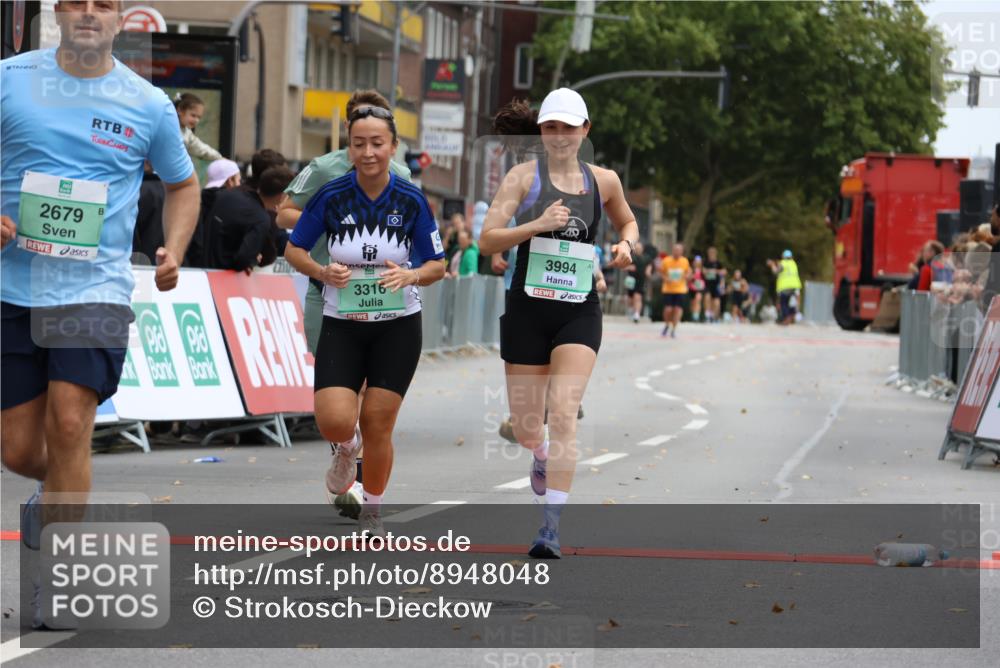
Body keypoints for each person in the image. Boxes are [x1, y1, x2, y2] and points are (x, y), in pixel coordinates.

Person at [0, 0, 199, 629]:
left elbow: (184, 185)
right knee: (17, 448)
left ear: (120, 20)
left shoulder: (147, 103)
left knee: (69, 422)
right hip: (12, 286)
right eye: (78, 2)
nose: (89, 13)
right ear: (59, 12)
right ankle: (64, 490)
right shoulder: (10, 79)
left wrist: (175, 248)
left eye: (103, 4)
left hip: (94, 289)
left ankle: (60, 579)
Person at [479, 89, 639, 558]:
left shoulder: (604, 181)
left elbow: (628, 222)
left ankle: (550, 527)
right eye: (551, 127)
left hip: (578, 310)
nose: (560, 136)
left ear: (585, 130)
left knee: (564, 411)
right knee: (529, 428)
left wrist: (626, 245)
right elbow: (488, 240)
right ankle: (540, 452)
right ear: (541, 131)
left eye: (569, 127)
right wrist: (536, 224)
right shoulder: (523, 177)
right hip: (527, 310)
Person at [284, 104, 446, 537]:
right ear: (349, 147)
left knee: (378, 421)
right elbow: (294, 249)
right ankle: (345, 447)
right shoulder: (331, 194)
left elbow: (437, 265)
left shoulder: (411, 199)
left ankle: (372, 511)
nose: (368, 152)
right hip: (344, 322)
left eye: (377, 143)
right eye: (359, 144)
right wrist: (321, 272)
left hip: (398, 324)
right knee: (334, 419)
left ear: (393, 147)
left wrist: (410, 274)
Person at [208, 166, 294, 273]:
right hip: (221, 274)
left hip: (200, 266)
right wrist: (253, 260)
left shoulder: (230, 194)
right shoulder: (261, 219)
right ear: (282, 196)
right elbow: (243, 258)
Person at [186, 158, 241, 268]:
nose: (240, 185)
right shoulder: (235, 205)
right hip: (224, 272)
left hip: (193, 270)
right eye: (239, 180)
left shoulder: (195, 201)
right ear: (230, 181)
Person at [174, 92, 224, 163]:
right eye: (193, 115)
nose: (196, 120)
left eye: (199, 117)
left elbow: (201, 149)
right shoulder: (168, 127)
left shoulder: (187, 133)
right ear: (179, 110)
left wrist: (220, 158)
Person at [660, 243, 690, 338]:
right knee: (668, 310)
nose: (677, 252)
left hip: (680, 289)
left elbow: (688, 272)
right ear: (672, 250)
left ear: (682, 252)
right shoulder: (666, 260)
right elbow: (661, 272)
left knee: (677, 309)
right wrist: (666, 278)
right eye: (675, 250)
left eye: (679, 250)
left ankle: (674, 329)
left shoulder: (685, 261)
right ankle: (667, 324)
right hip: (668, 289)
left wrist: (687, 276)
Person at [767, 249, 802, 325]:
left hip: (785, 286)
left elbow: (776, 272)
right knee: (792, 303)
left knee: (783, 303)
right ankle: (792, 316)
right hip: (795, 286)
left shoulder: (783, 263)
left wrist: (772, 265)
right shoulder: (793, 263)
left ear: (783, 256)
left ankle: (786, 318)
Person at [624, 240, 652, 323]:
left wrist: (648, 271)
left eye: (639, 248)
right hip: (631, 280)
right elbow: (623, 267)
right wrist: (629, 267)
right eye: (637, 248)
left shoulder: (646, 258)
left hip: (641, 280)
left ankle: (637, 314)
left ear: (642, 249)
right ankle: (631, 311)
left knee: (637, 297)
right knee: (630, 299)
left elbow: (649, 265)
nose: (638, 249)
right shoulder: (630, 257)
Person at [703, 246, 725, 323]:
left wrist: (715, 271)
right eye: (710, 253)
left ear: (715, 254)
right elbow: (703, 271)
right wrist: (709, 271)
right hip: (708, 284)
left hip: (716, 284)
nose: (711, 254)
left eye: (713, 253)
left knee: (716, 302)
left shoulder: (718, 263)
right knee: (707, 297)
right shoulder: (705, 262)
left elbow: (723, 272)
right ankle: (707, 315)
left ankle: (713, 316)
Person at [688, 254, 706, 322]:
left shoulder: (702, 269)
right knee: (693, 302)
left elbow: (705, 277)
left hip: (700, 288)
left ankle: (696, 316)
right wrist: (692, 276)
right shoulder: (691, 269)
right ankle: (693, 315)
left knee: (698, 300)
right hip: (692, 288)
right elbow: (688, 278)